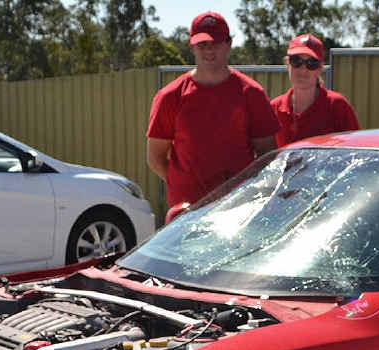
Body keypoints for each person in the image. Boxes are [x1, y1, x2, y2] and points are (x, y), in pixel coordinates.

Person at [146, 11, 279, 208]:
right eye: (202, 44)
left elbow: (267, 155)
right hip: (185, 212)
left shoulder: (251, 93)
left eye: (215, 43)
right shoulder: (170, 96)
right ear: (192, 46)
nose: (209, 50)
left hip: (236, 210)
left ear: (228, 44)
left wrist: (245, 193)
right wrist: (182, 184)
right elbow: (155, 158)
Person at [271, 34, 360, 148]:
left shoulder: (337, 106)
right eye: (296, 61)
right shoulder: (274, 109)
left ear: (320, 68)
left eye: (311, 63)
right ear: (287, 64)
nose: (303, 69)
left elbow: (354, 150)